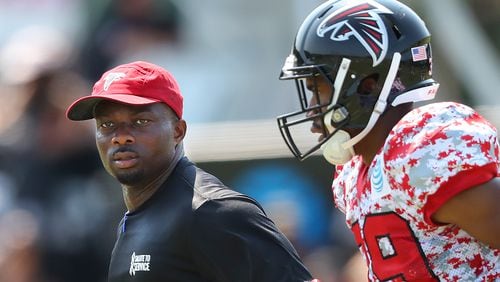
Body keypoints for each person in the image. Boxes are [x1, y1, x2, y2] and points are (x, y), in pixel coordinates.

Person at [275, 0, 499, 281]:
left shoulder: (421, 151)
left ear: (366, 86)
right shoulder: (355, 173)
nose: (310, 107)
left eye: (318, 88)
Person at [65, 60, 316, 282]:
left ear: (178, 131)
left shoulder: (213, 211)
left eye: (140, 122)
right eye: (107, 125)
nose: (121, 137)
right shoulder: (135, 218)